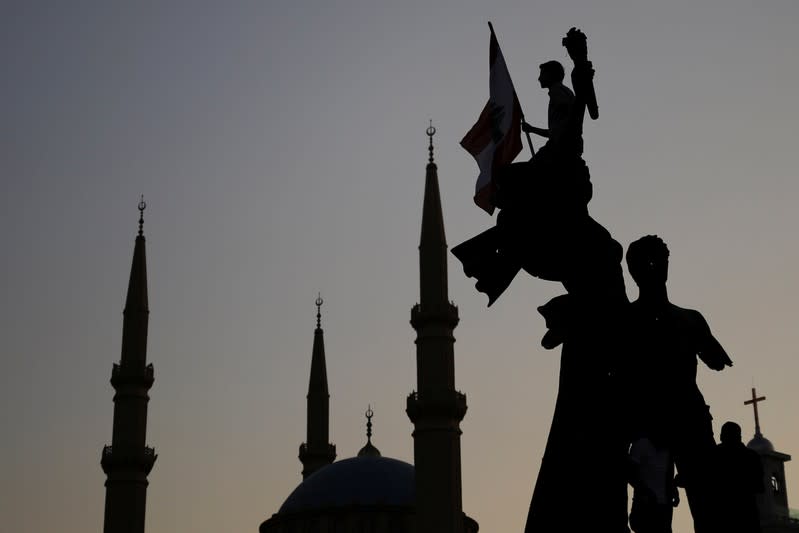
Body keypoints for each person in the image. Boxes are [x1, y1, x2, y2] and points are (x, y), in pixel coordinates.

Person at [625, 235, 733, 533]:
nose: (658, 268)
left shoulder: (689, 320)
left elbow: (716, 359)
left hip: (688, 422)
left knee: (710, 509)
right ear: (635, 270)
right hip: (650, 426)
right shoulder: (628, 320)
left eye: (662, 261)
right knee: (654, 516)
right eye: (651, 262)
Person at [714, 421, 764, 533]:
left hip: (723, 517)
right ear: (739, 437)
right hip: (747, 516)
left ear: (722, 436)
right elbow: (759, 487)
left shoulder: (714, 456)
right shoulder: (752, 457)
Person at [628, 432, 679, 533]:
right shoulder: (641, 444)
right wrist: (645, 491)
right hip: (644, 507)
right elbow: (631, 474)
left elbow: (668, 475)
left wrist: (673, 490)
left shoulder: (668, 449)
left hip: (664, 508)